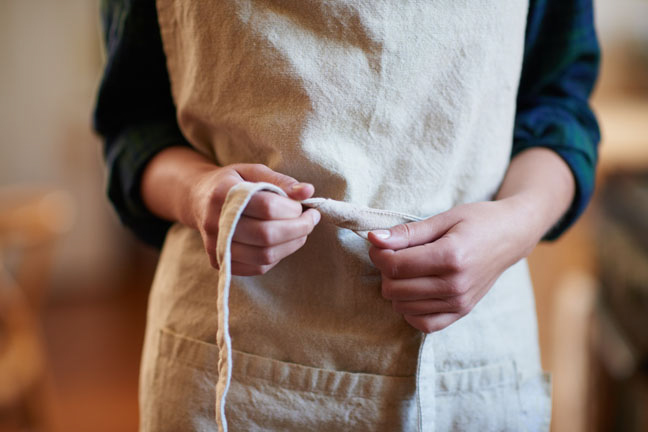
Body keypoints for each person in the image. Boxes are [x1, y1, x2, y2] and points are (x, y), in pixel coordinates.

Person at [94, 0, 600, 430]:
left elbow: (558, 105)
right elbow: (134, 125)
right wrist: (198, 192)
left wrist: (517, 221)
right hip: (232, 361)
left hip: (463, 356)